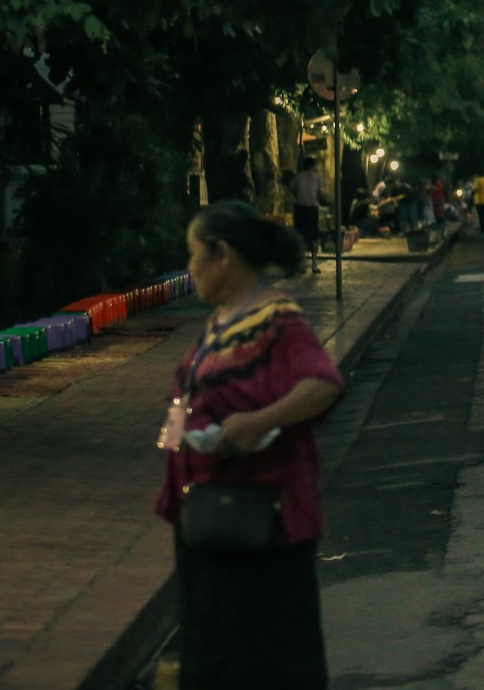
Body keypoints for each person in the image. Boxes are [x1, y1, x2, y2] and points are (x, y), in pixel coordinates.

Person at [157, 202, 344, 688]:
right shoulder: (222, 320)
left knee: (264, 655)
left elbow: (322, 384)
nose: (190, 266)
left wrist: (256, 423)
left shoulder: (277, 319)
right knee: (216, 649)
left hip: (262, 518)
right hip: (208, 515)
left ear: (222, 256)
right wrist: (174, 437)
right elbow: (191, 395)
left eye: (194, 254)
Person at [289, 157, 323, 260]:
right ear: (313, 166)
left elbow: (292, 188)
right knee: (313, 236)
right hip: (312, 208)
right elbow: (321, 193)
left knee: (300, 234)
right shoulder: (318, 177)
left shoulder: (298, 176)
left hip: (300, 208)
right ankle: (314, 263)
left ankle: (300, 260)